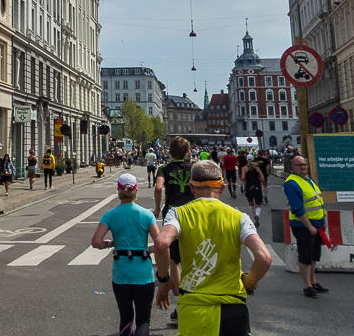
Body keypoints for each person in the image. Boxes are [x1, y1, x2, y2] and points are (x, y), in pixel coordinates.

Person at [153, 160, 272, 336]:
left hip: (194, 306)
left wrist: (164, 281)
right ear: (222, 188)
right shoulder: (239, 217)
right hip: (233, 305)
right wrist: (249, 283)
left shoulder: (178, 213)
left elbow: (162, 243)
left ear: (191, 188)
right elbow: (264, 258)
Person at [92, 173, 160, 336]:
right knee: (143, 319)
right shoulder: (146, 214)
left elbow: (96, 242)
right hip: (143, 272)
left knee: (126, 317)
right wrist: (149, 249)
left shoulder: (110, 215)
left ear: (118, 191)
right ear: (136, 190)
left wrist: (110, 243)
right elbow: (159, 242)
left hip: (121, 272)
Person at [153, 137, 195, 324]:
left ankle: (181, 306)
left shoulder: (164, 169)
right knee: (193, 259)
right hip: (193, 214)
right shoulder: (193, 168)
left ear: (169, 151)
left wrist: (156, 207)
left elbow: (159, 186)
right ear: (187, 151)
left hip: (172, 216)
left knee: (173, 261)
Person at [284, 155, 329, 298]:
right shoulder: (292, 183)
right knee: (305, 255)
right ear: (293, 167)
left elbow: (317, 201)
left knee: (314, 255)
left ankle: (313, 281)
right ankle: (307, 286)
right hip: (303, 226)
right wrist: (309, 226)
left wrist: (323, 221)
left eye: (304, 164)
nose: (303, 167)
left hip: (317, 224)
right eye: (299, 165)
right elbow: (298, 209)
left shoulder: (308, 180)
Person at [241, 153, 265, 228]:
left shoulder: (244, 168)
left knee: (251, 204)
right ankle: (257, 216)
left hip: (249, 187)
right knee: (258, 204)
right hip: (257, 186)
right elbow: (263, 179)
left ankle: (253, 220)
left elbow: (243, 178)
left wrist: (243, 183)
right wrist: (259, 181)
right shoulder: (257, 168)